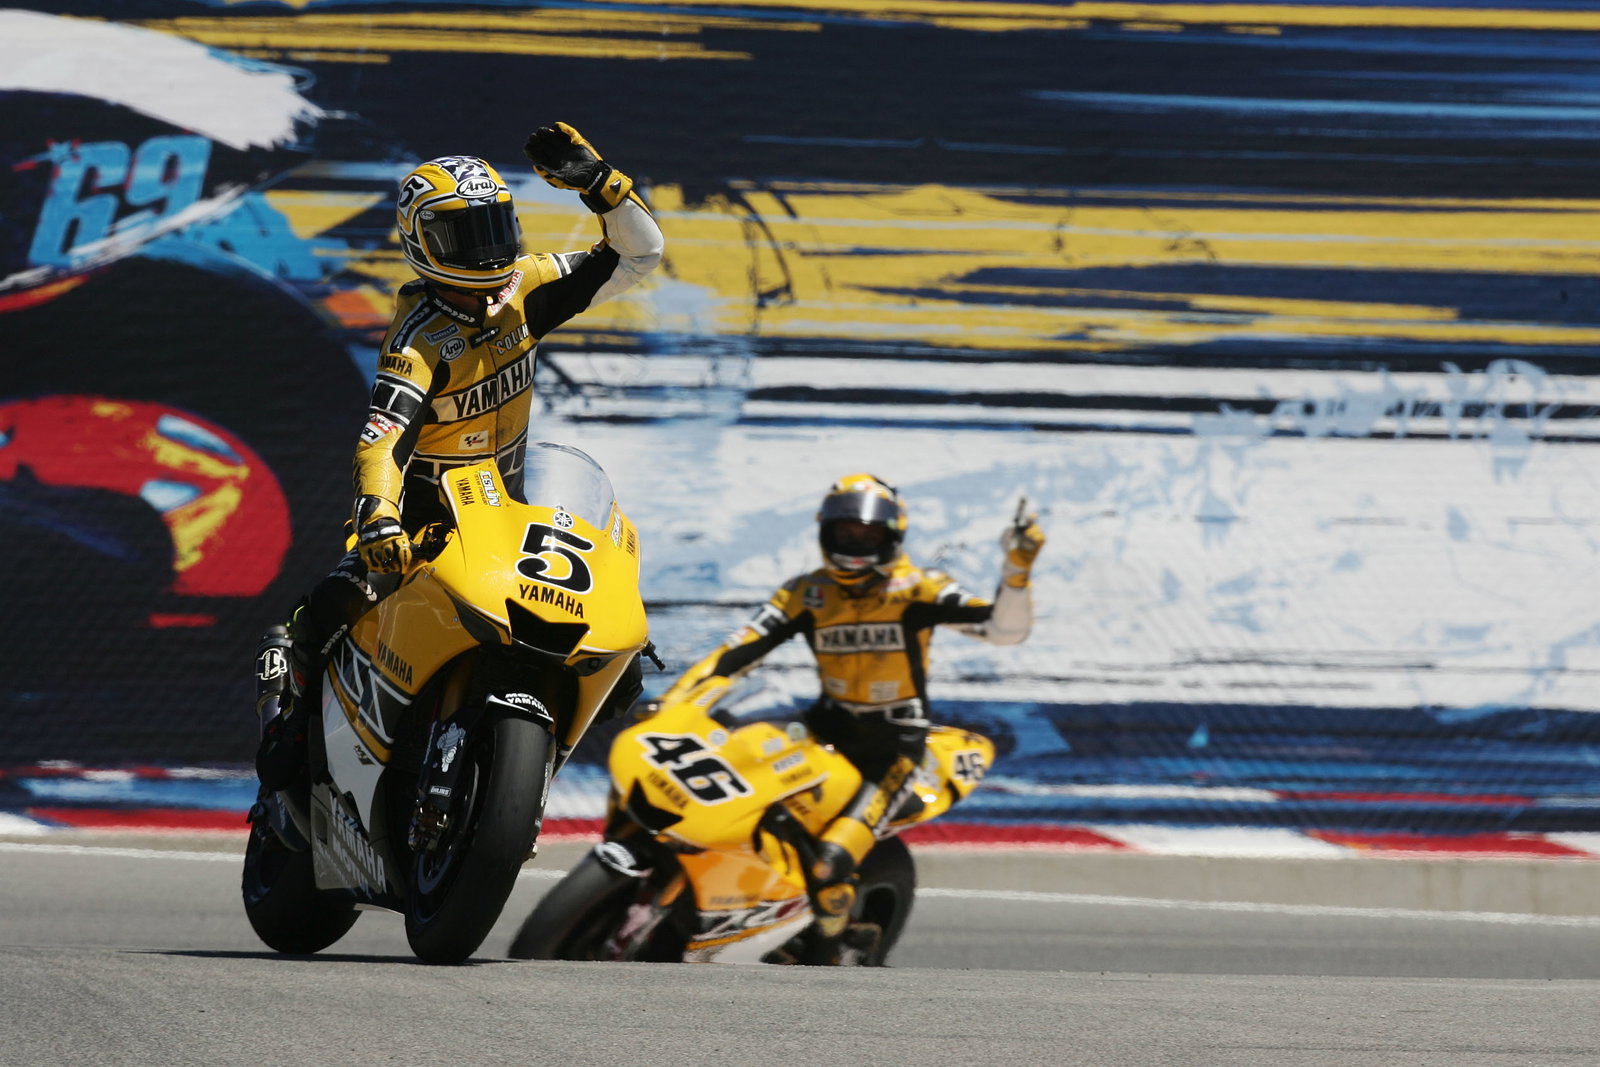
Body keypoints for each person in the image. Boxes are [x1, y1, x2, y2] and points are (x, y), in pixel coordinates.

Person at [251, 123, 664, 789]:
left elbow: (640, 256)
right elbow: (383, 437)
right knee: (333, 609)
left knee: (625, 676)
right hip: (424, 522)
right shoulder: (417, 340)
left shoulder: (528, 288)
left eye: (494, 228)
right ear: (421, 241)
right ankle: (288, 714)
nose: (485, 250)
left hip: (507, 517)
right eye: (463, 235)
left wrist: (600, 185)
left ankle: (503, 769)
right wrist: (379, 517)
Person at [655, 473, 1045, 947]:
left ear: (893, 537)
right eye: (846, 533)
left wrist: (1017, 571)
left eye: (868, 535)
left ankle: (832, 952)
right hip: (825, 729)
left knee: (829, 865)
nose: (856, 545)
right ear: (826, 532)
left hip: (892, 750)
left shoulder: (918, 588)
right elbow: (736, 654)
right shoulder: (807, 592)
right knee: (735, 788)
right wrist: (674, 703)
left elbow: (1004, 631)